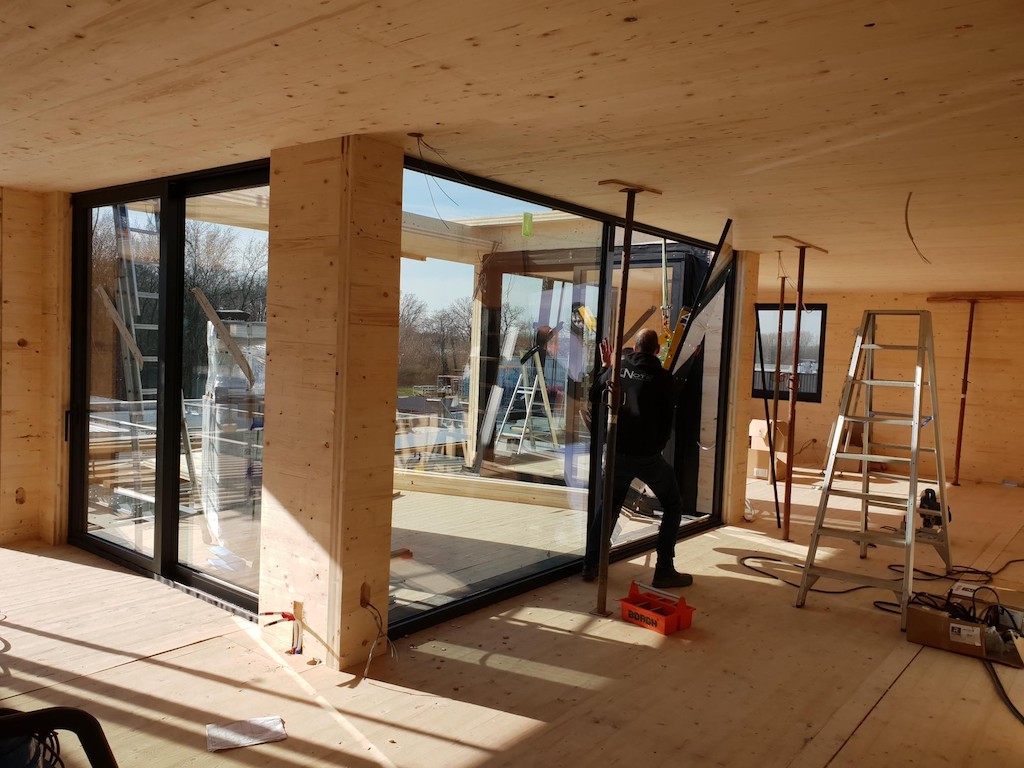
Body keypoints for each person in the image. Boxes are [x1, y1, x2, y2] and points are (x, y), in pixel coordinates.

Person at [582, 328, 693, 588]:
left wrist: (605, 367)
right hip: (647, 456)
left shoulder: (617, 369)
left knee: (609, 505)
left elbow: (593, 395)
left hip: (617, 453)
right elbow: (668, 422)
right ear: (657, 351)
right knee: (673, 505)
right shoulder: (664, 379)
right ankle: (664, 569)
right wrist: (657, 446)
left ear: (635, 346)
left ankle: (590, 564)